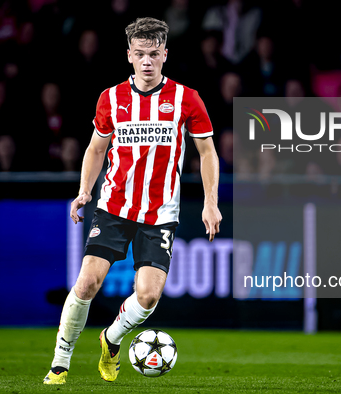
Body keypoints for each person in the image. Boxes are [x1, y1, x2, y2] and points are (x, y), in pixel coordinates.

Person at [43, 17, 222, 385]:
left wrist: (210, 202)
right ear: (128, 55)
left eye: (153, 54)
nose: (146, 61)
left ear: (165, 55)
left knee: (149, 295)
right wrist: (83, 190)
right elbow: (96, 148)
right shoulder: (111, 98)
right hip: (113, 207)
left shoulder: (187, 99)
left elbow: (208, 153)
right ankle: (60, 363)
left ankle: (110, 338)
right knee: (88, 283)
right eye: (139, 54)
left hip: (160, 214)